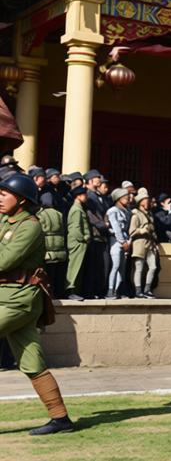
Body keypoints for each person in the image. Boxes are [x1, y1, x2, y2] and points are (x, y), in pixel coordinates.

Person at [0, 173, 75, 434]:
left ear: (20, 200)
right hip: (7, 298)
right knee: (33, 362)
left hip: (19, 300)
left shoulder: (30, 226)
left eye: (4, 194)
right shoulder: (5, 221)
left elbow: (4, 261)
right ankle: (61, 419)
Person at [129, 188, 159, 299]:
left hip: (150, 244)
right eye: (145, 199)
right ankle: (138, 291)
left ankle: (147, 289)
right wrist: (142, 230)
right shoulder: (136, 215)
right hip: (139, 243)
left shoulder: (150, 215)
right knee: (139, 268)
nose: (147, 201)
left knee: (153, 267)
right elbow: (131, 231)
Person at [84, 169, 110, 298]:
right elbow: (90, 215)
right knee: (94, 266)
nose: (99, 180)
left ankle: (99, 291)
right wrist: (102, 225)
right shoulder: (88, 195)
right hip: (94, 234)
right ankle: (91, 292)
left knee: (103, 265)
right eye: (97, 178)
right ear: (90, 180)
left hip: (102, 235)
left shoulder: (101, 197)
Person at [37, 193, 67, 298]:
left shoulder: (40, 214)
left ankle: (49, 296)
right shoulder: (59, 214)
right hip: (60, 248)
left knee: (48, 275)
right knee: (58, 276)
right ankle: (59, 294)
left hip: (47, 250)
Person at [64, 185, 89, 301]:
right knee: (74, 266)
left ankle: (75, 290)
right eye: (84, 195)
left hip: (80, 242)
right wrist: (83, 238)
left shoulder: (79, 208)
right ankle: (71, 290)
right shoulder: (76, 209)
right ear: (78, 196)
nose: (86, 197)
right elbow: (74, 228)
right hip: (77, 243)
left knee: (79, 267)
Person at [105, 188, 131, 300]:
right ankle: (110, 290)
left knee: (122, 268)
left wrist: (128, 241)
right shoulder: (113, 210)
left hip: (125, 240)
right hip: (116, 240)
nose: (127, 198)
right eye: (124, 196)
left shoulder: (125, 211)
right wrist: (123, 242)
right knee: (115, 265)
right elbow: (116, 227)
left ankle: (117, 290)